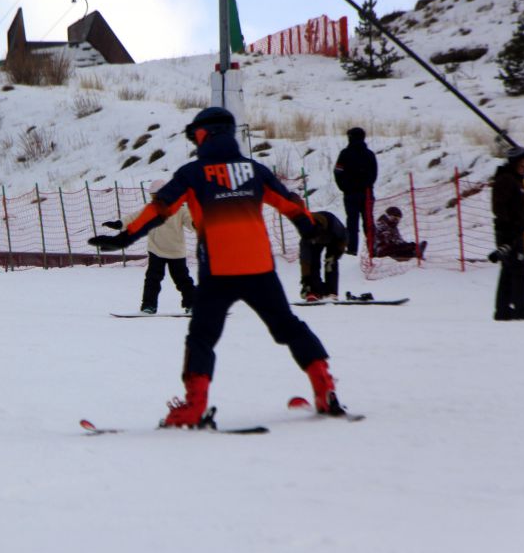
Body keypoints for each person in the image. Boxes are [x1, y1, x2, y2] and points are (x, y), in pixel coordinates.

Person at [89, 107, 351, 425]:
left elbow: (159, 209)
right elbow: (290, 205)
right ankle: (325, 388)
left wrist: (123, 239)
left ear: (205, 135)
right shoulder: (255, 170)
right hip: (260, 268)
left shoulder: (193, 173)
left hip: (218, 270)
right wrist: (310, 227)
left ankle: (194, 406)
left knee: (202, 337)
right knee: (288, 326)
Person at [102, 179, 195, 313]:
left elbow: (190, 220)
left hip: (176, 252)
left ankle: (193, 305)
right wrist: (119, 224)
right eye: (152, 197)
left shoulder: (180, 209)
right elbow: (134, 217)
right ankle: (148, 306)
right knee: (152, 280)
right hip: (156, 250)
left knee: (183, 280)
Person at [491, 145, 524, 321]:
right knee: (519, 270)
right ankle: (522, 310)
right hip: (508, 233)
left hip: (515, 231)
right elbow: (499, 207)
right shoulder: (506, 180)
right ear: (518, 161)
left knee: (508, 270)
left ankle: (503, 310)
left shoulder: (516, 180)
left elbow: (522, 211)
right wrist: (510, 228)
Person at [334, 127, 378, 256]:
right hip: (367, 193)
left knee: (352, 222)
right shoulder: (369, 154)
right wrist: (367, 185)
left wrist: (344, 187)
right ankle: (373, 249)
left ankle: (352, 249)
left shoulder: (345, 154)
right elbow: (374, 174)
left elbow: (338, 172)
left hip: (350, 194)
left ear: (351, 138)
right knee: (368, 222)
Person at [299, 211, 348, 301]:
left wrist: (337, 253)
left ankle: (331, 292)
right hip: (313, 243)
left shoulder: (333, 224)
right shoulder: (306, 236)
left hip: (334, 240)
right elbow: (305, 260)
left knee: (331, 262)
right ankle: (314, 291)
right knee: (312, 263)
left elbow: (343, 237)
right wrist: (305, 280)